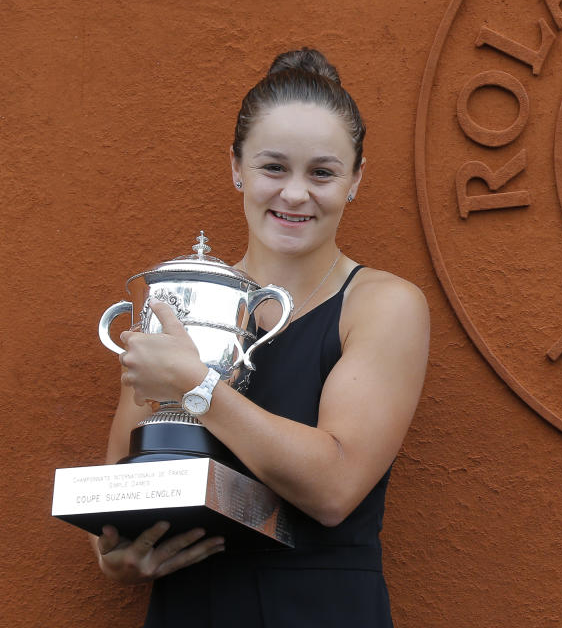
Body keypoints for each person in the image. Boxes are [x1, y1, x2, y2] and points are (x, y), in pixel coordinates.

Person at [90, 47, 430, 627]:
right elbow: (123, 488)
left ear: (355, 180)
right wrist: (117, 556)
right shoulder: (178, 303)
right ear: (236, 168)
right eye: (274, 167)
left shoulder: (384, 304)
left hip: (323, 610)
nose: (295, 194)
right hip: (190, 606)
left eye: (322, 172)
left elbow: (333, 488)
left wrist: (197, 387)